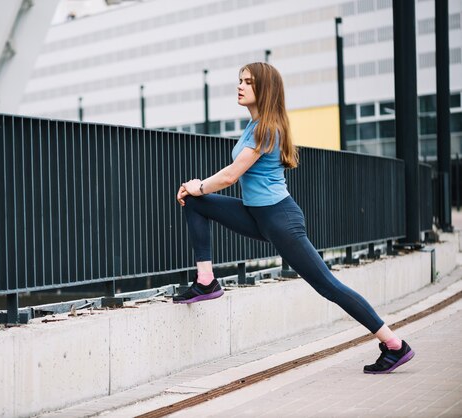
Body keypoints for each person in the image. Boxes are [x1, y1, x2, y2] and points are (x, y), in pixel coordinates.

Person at [173, 62, 414, 374]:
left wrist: (198, 185)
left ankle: (394, 345)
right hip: (258, 216)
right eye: (240, 80)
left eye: (248, 82)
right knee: (196, 204)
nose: (240, 86)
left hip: (280, 219)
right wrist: (196, 192)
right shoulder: (254, 125)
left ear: (265, 89)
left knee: (329, 286)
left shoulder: (266, 128)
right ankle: (206, 282)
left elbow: (232, 175)